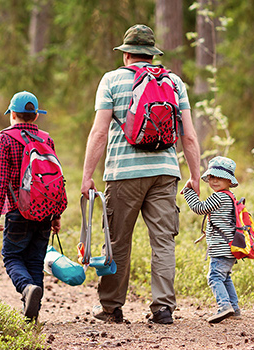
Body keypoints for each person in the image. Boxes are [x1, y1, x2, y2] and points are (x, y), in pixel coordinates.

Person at [79, 24, 203, 325]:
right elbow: (188, 136)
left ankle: (111, 307)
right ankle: (163, 308)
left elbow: (99, 133)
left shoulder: (111, 80)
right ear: (151, 54)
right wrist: (195, 176)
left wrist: (87, 176)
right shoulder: (174, 82)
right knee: (163, 241)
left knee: (118, 241)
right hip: (165, 172)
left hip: (123, 174)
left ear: (127, 56)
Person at [0, 91, 63, 322]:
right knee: (34, 260)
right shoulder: (46, 139)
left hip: (17, 210)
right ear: (35, 116)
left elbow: (0, 178)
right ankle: (32, 315)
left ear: (12, 114)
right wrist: (56, 214)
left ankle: (26, 289)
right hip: (44, 211)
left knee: (11, 257)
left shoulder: (5, 138)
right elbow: (55, 179)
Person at [181, 156, 244, 323]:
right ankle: (234, 307)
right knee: (225, 277)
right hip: (229, 247)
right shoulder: (230, 197)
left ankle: (224, 306)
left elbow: (199, 208)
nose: (215, 181)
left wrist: (188, 191)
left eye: (220, 178)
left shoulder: (219, 197)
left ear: (229, 181)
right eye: (212, 177)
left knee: (214, 277)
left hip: (221, 248)